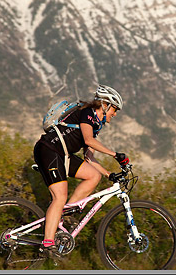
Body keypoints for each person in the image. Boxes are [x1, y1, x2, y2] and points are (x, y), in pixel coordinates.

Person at [33, 84, 129, 258]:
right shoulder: (87, 113)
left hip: (62, 154)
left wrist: (110, 174)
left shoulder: (96, 125)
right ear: (105, 105)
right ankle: (47, 244)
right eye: (114, 109)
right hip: (49, 149)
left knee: (94, 176)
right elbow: (88, 140)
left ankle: (64, 214)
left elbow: (89, 158)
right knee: (60, 196)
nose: (115, 114)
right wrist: (115, 155)